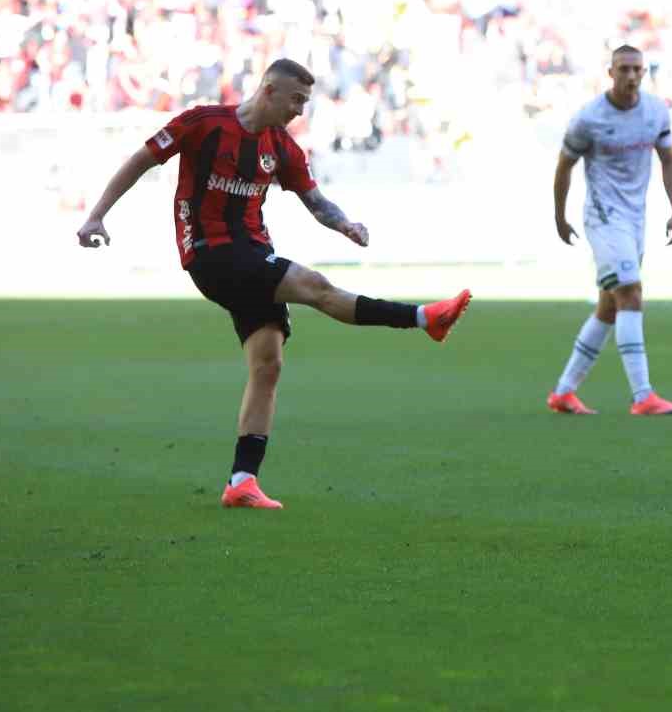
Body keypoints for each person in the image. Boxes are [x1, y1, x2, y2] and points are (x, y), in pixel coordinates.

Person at [75, 58, 472, 510]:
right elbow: (141, 161)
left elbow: (314, 200)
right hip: (210, 252)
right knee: (315, 287)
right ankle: (422, 318)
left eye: (305, 101)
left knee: (268, 365)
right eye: (296, 99)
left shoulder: (281, 148)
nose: (300, 109)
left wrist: (345, 225)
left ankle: (242, 481)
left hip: (251, 250)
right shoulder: (203, 124)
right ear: (269, 90)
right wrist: (96, 215)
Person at [547, 45, 672, 416]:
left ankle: (564, 392)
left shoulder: (656, 111)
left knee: (609, 307)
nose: (630, 75)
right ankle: (643, 396)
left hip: (636, 220)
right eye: (623, 68)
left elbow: (669, 160)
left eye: (637, 69)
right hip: (604, 217)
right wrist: (560, 216)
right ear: (610, 72)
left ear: (644, 72)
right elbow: (564, 167)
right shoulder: (589, 118)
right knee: (631, 293)